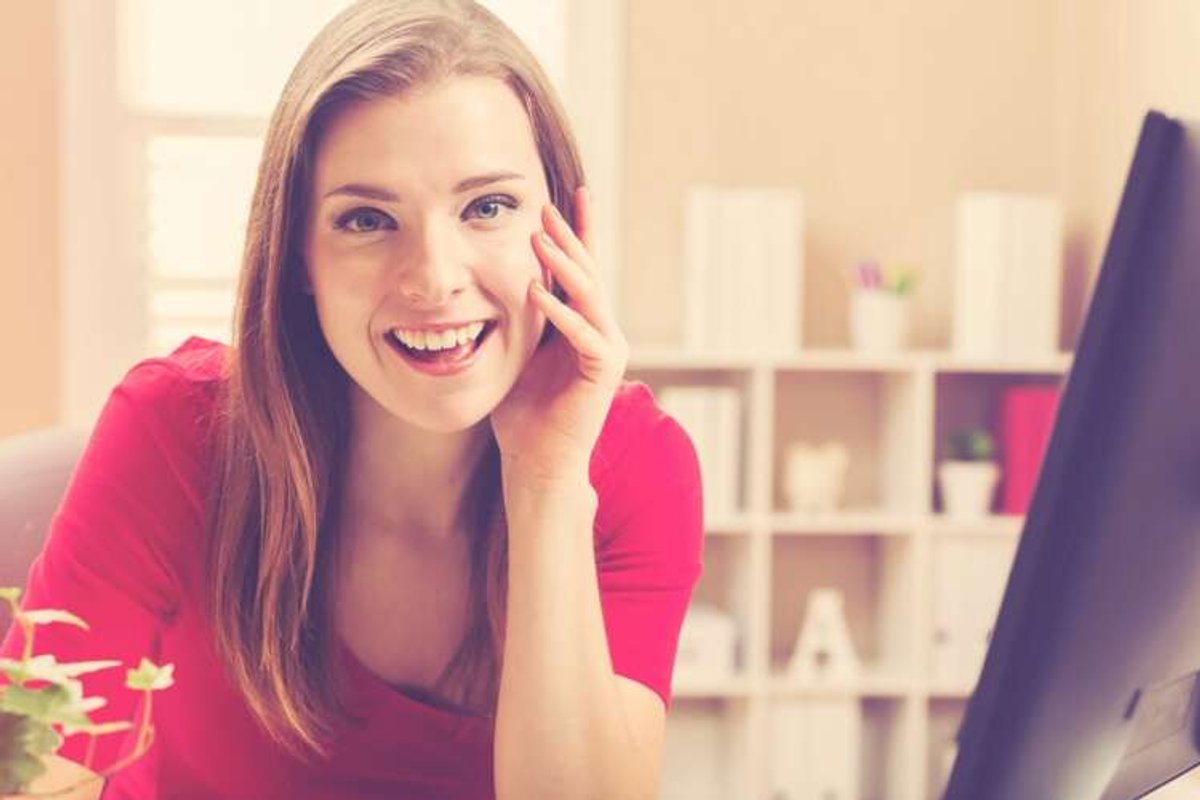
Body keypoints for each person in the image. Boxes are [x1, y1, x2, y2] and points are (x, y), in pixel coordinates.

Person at [0, 1, 704, 798]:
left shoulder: (637, 466)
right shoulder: (175, 431)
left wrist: (545, 484)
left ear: (565, 229)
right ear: (298, 254)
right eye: (367, 219)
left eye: (488, 207)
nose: (435, 277)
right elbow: (35, 778)